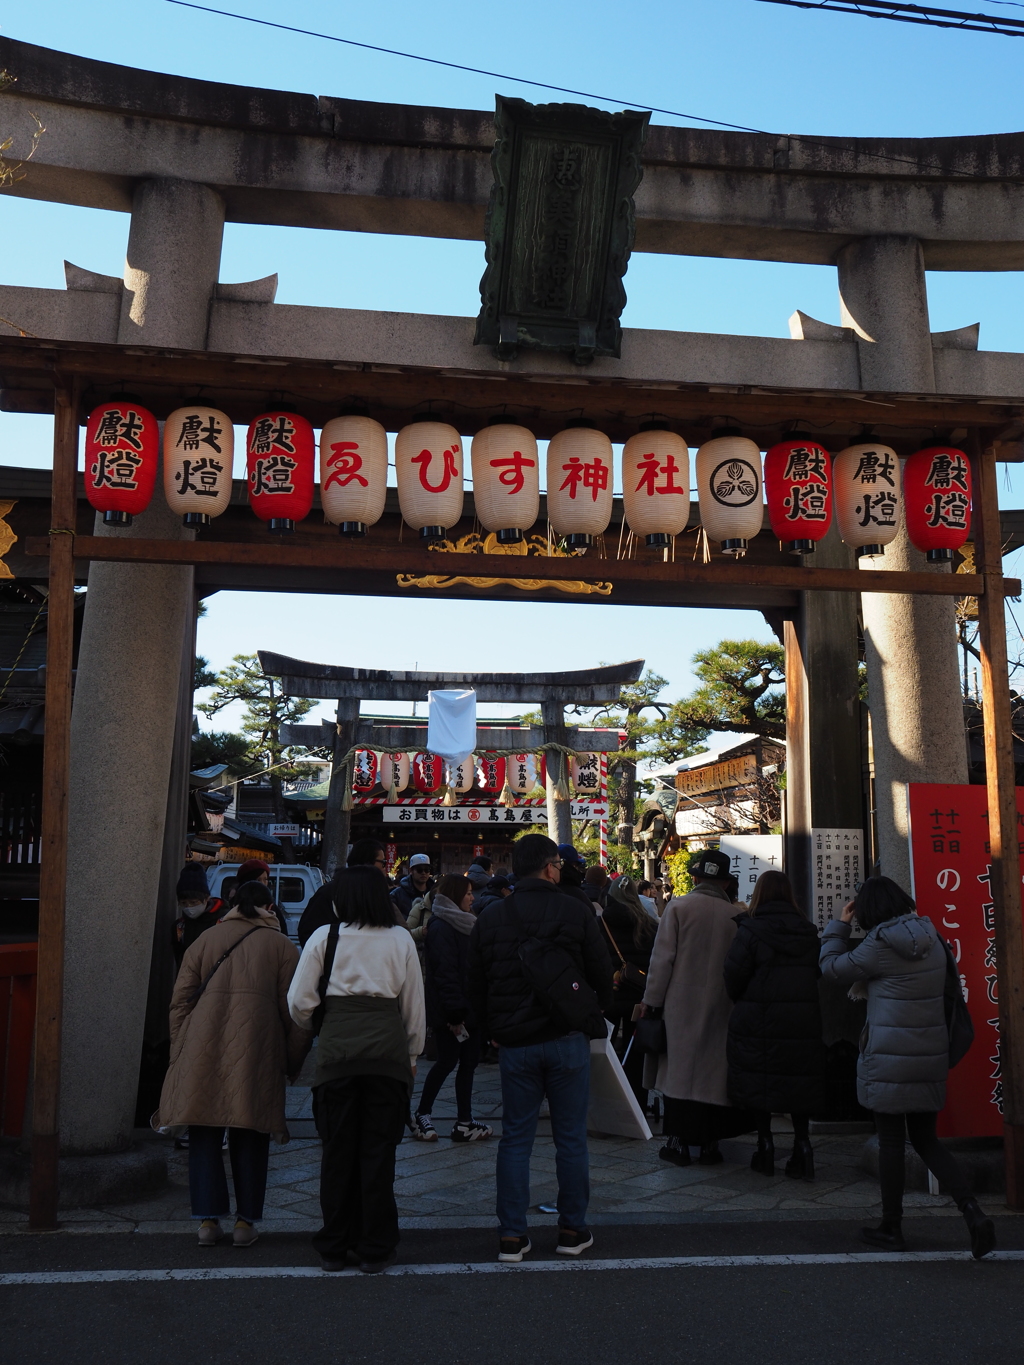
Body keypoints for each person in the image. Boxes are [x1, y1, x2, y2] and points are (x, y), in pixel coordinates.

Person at [820, 876, 996, 1259]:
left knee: (891, 1142)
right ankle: (972, 1211)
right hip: (929, 1055)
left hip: (888, 1059)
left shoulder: (880, 944)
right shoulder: (932, 936)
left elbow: (832, 969)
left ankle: (891, 1227)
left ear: (868, 910)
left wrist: (839, 926)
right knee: (926, 1140)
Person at [468, 833, 614, 1263]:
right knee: (570, 1138)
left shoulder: (492, 916)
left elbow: (474, 981)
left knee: (515, 1138)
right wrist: (591, 1011)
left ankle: (512, 1236)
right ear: (551, 867)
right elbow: (602, 974)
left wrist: (490, 1032)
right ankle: (572, 1230)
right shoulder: (575, 909)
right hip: (567, 1039)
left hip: (515, 1044)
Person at [154, 881, 311, 1248]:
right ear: (270, 908)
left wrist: (180, 1048)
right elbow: (296, 1012)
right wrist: (292, 1060)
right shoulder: (282, 947)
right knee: (251, 1128)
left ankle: (208, 1222)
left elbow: (180, 1001)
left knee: (204, 1128)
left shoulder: (205, 939)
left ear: (234, 905)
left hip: (202, 1044)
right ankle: (245, 1223)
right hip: (258, 1047)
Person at [288, 865, 425, 1274]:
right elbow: (414, 1007)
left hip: (337, 1057)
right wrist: (413, 1055)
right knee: (378, 1155)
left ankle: (334, 1246)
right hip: (388, 1059)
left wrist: (324, 1023)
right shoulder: (401, 939)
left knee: (337, 1153)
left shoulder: (324, 937)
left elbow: (298, 1001)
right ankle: (375, 1248)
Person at [641, 848, 756, 1167]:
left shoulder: (678, 907)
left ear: (695, 878)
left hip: (679, 1005)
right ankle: (709, 1144)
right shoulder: (736, 916)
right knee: (713, 1074)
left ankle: (678, 1142)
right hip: (722, 1003)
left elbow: (661, 961)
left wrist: (651, 1001)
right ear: (726, 882)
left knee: (679, 1073)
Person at [723, 869, 825, 1180]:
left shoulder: (750, 930)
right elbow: (816, 972)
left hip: (758, 1017)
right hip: (802, 1019)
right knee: (799, 1080)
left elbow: (733, 975)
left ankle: (765, 1146)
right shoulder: (808, 931)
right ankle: (803, 1145)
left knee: (760, 1080)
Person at [412, 874, 493, 1143]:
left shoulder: (468, 922)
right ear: (455, 895)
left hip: (470, 1008)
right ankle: (422, 1113)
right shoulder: (441, 926)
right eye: (467, 893)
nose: (472, 897)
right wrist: (454, 1014)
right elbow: (445, 974)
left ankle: (464, 1121)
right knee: (446, 1062)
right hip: (451, 1011)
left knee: (469, 1064)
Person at [600, 874, 657, 1108]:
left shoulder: (600, 924)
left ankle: (605, 1102)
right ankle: (636, 1105)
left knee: (604, 1051)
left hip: (609, 996)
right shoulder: (649, 925)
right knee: (636, 1056)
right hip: (639, 998)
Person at [298, 839, 387, 946]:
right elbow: (308, 933)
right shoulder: (331, 892)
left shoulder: (378, 893)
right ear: (368, 862)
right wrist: (335, 951)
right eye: (383, 862)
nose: (384, 868)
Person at [176, 862, 222, 954]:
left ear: (206, 898)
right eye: (184, 903)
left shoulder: (222, 922)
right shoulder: (179, 926)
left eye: (194, 902)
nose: (189, 907)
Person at [234, 858, 288, 936]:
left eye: (265, 879)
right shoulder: (234, 906)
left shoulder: (272, 908)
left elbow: (283, 934)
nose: (263, 883)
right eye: (258, 880)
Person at [391, 852, 433, 922]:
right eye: (419, 870)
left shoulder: (435, 893)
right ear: (411, 870)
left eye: (427, 870)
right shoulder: (396, 895)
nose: (423, 873)